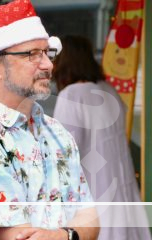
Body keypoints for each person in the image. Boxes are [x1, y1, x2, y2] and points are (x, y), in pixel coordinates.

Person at [0, 1, 100, 240]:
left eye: (47, 52)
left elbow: (91, 220)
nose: (48, 64)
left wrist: (60, 236)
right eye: (32, 54)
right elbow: (21, 236)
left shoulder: (57, 132)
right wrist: (72, 234)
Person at [53, 35, 151, 240]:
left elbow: (65, 153)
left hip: (94, 193)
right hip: (122, 191)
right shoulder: (109, 91)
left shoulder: (72, 95)